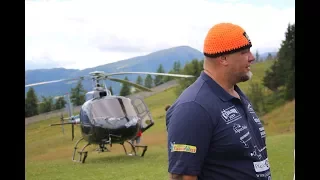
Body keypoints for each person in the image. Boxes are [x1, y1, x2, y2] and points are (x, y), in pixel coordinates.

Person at [166, 22, 272, 180]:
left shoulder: (236, 94)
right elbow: (183, 177)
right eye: (244, 52)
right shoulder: (193, 107)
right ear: (223, 58)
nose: (252, 57)